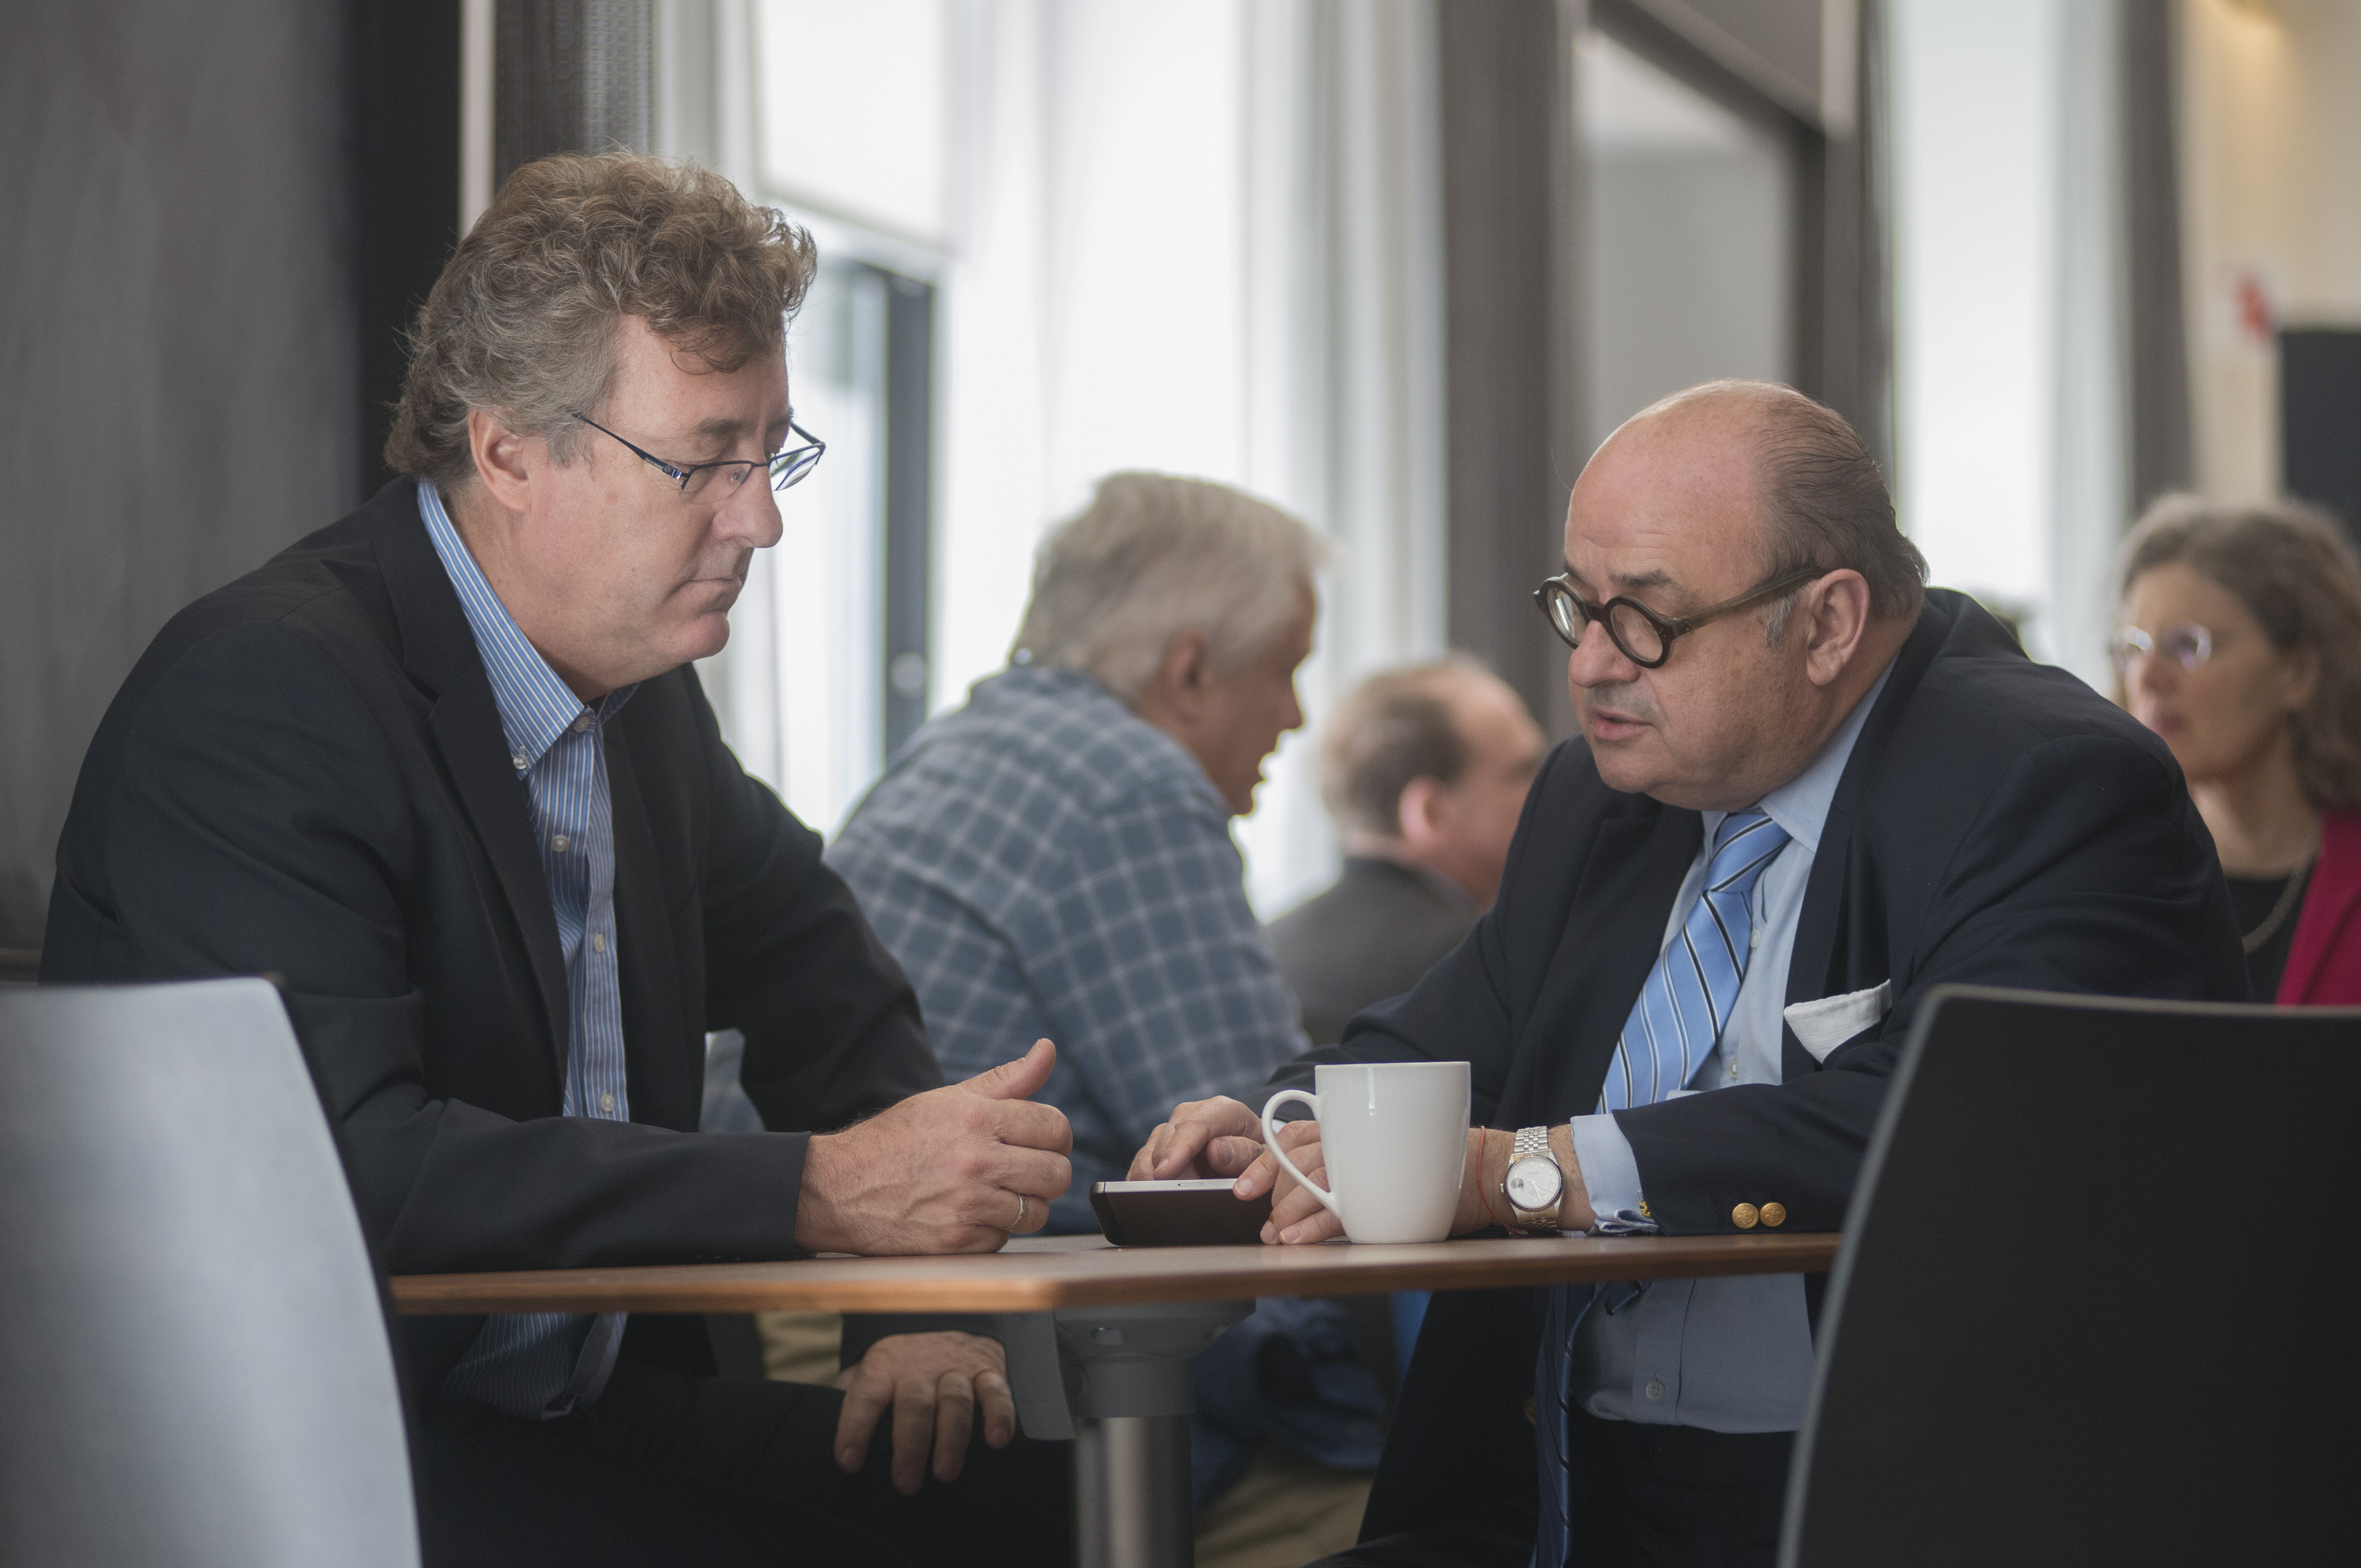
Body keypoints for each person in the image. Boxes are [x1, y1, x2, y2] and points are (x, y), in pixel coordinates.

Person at [42, 153, 1072, 1567]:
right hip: (310, 1461)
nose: (758, 517)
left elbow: (824, 977)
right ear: (512, 450)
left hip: (568, 1415)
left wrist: (915, 1304)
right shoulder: (268, 695)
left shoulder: (636, 698)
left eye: (772, 450)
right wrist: (819, 1192)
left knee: (1018, 1483)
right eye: (702, 455)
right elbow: (347, 1172)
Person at [1132, 379, 2247, 1568]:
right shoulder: (1602, 795)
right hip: (1563, 1481)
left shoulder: (2046, 781)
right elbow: (1447, 1034)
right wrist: (1276, 1121)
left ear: (1825, 624)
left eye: (1647, 619)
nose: (1593, 667)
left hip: (1904, 1495)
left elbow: (1953, 1123)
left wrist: (1529, 1173)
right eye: (1578, 606)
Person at [826, 473, 1387, 1559]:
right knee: (1427, 1513)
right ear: (1188, 669)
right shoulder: (1129, 785)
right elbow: (1262, 1150)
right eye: (1287, 668)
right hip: (1004, 1367)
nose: (1298, 716)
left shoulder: (952, 749)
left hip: (836, 1332)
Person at [2115, 494, 2361, 1002]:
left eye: (2187, 645)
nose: (2149, 676)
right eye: (2134, 647)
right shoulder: (2116, 871)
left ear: (2298, 672)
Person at [1269, 657, 1546, 1046]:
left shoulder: (1269, 947)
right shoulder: (1476, 959)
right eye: (1522, 773)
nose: (1546, 792)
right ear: (1430, 812)